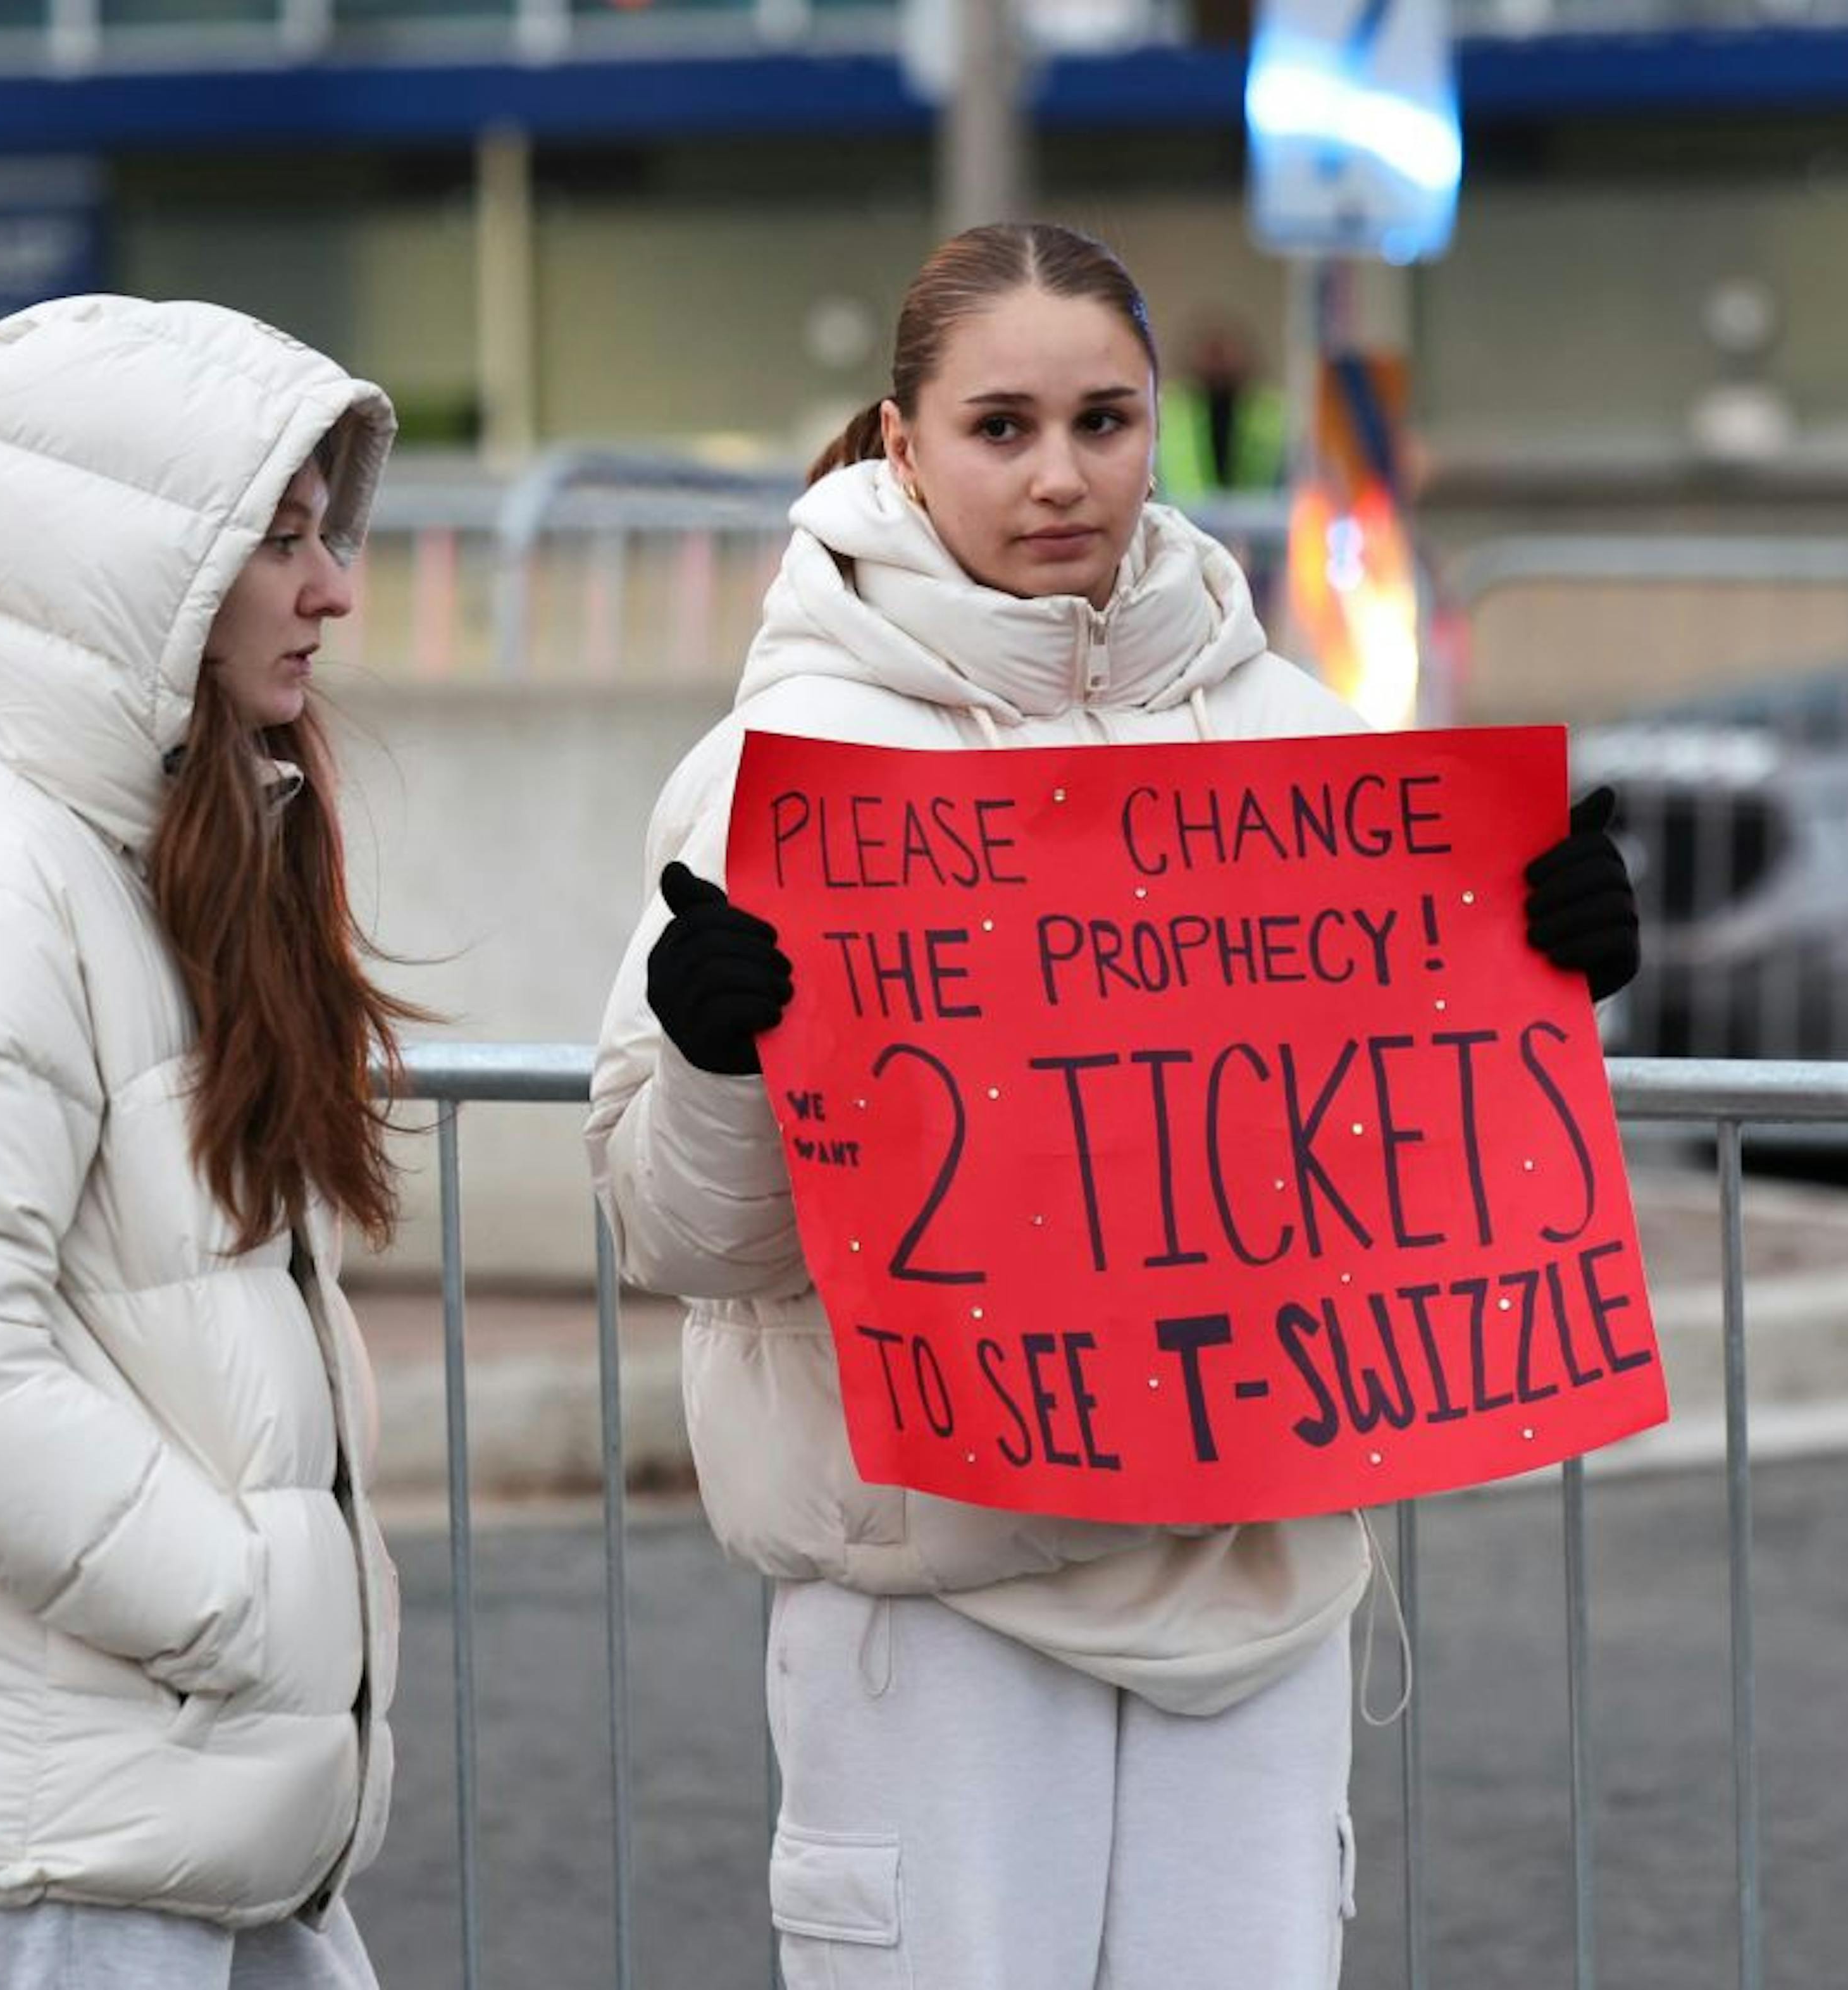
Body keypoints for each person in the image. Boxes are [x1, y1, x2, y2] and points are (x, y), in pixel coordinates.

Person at [586, 223, 1637, 1990]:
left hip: (1257, 1579)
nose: (1062, 476)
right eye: (1002, 427)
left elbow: (1404, 1157)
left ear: (1161, 429)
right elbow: (681, 1232)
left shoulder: (1291, 731)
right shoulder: (782, 774)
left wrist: (1544, 989)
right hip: (942, 1607)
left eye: (1106, 420)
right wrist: (712, 1056)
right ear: (903, 444)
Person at [0, 295, 419, 1989]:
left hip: (178, 1835)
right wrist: (247, 1614)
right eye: (276, 541)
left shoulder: (149, 855)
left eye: (322, 531)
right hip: (70, 1856)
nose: (333, 586)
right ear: (133, 568)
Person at [1155, 313, 1285, 504]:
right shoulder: (1173, 409)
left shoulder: (1268, 412)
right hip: (1184, 523)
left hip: (1258, 526)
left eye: (1225, 351)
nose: (1218, 360)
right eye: (1210, 352)